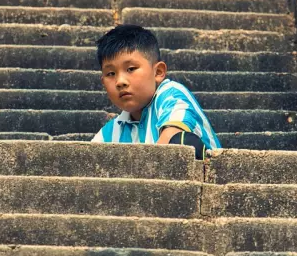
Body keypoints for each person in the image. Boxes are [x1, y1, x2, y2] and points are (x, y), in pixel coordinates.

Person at [91, 24, 220, 159]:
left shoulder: (171, 94)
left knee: (181, 141)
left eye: (130, 69)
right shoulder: (110, 132)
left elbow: (170, 142)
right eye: (111, 73)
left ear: (158, 72)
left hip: (202, 176)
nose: (120, 81)